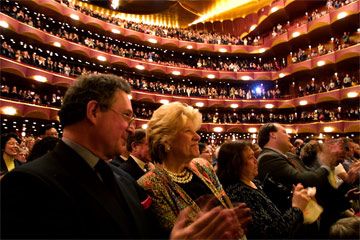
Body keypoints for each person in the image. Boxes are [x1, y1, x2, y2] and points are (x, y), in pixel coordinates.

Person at [1, 74, 250, 239]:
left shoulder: (123, 180)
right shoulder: (28, 184)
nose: (132, 128)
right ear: (94, 111)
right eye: (127, 116)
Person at [138, 102, 251, 237]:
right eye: (187, 131)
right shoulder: (150, 184)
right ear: (166, 140)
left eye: (195, 130)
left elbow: (227, 209)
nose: (197, 137)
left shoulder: (203, 166)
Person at [257, 123, 352, 236]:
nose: (289, 136)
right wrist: (326, 163)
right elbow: (305, 180)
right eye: (284, 132)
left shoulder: (288, 156)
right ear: (273, 135)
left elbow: (311, 176)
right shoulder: (268, 158)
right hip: (295, 222)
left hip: (309, 216)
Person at [217, 141, 310, 239]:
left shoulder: (255, 183)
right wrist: (297, 208)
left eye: (254, 156)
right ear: (236, 164)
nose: (256, 161)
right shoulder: (238, 193)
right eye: (250, 157)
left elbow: (276, 216)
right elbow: (273, 233)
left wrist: (295, 197)